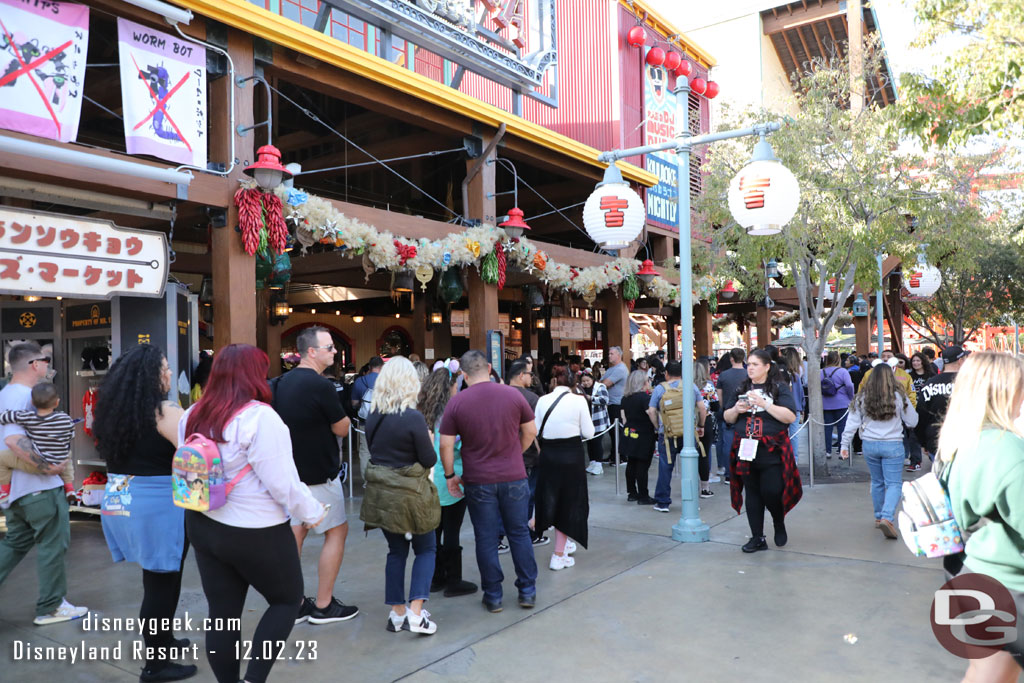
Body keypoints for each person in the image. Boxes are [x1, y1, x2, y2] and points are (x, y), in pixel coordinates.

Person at [180, 344, 326, 683]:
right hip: (256, 531)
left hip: (202, 523)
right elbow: (283, 484)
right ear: (254, 375)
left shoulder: (193, 414)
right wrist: (313, 512)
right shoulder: (259, 417)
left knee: (223, 614)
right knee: (287, 601)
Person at [94, 345, 195, 682]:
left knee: (157, 577)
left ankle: (163, 640)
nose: (168, 374)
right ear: (149, 375)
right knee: (162, 583)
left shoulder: (113, 410)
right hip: (158, 505)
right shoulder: (165, 410)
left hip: (122, 498)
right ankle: (155, 664)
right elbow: (195, 455)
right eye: (164, 368)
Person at [938, 352, 1024, 683]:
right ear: (1003, 390)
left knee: (984, 673)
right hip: (1010, 588)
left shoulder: (959, 441)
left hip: (971, 575)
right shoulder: (1008, 451)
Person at [440, 350, 538, 612]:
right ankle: (527, 590)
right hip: (514, 475)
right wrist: (515, 452)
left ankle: (493, 595)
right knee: (519, 533)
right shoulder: (512, 395)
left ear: (463, 374)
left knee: (485, 537)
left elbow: (446, 445)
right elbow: (530, 431)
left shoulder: (458, 402)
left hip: (478, 479)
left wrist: (450, 476)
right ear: (490, 368)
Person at [272, 327, 357, 625]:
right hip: (319, 474)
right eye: (330, 347)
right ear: (312, 352)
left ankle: (292, 603)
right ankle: (323, 604)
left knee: (294, 535)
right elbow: (341, 426)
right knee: (337, 531)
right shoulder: (321, 386)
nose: (335, 352)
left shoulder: (278, 383)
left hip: (287, 475)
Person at [0, 342, 87, 626]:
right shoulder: (24, 396)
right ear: (34, 364)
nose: (48, 364)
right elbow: (12, 440)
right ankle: (51, 607)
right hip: (38, 489)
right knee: (53, 545)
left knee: (15, 544)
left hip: (19, 491)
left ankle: (52, 605)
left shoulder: (7, 395)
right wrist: (49, 467)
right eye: (45, 359)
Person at [360, 357, 441, 635]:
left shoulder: (373, 417)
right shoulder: (413, 417)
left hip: (383, 496)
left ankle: (397, 614)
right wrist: (429, 440)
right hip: (412, 495)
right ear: (410, 383)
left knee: (396, 552)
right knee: (426, 549)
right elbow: (429, 460)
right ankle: (416, 613)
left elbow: (375, 453)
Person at [722, 348, 801, 552]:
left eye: (755, 364)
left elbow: (790, 417)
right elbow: (727, 417)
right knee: (753, 493)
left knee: (772, 491)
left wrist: (764, 404)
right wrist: (736, 410)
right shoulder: (742, 387)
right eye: (749, 364)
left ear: (767, 367)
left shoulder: (779, 388)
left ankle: (778, 521)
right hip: (745, 448)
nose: (750, 368)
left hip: (771, 449)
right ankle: (757, 537)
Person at [839, 363, 918, 539]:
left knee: (877, 482)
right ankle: (887, 517)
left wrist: (844, 445)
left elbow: (851, 423)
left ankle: (878, 517)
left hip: (869, 444)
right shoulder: (899, 397)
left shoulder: (862, 398)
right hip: (893, 444)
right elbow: (912, 421)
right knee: (894, 483)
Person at [422, 365, 479, 598]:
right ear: (450, 388)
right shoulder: (455, 415)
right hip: (451, 478)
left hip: (426, 481)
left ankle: (435, 578)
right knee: (452, 531)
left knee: (433, 532)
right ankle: (454, 580)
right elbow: (462, 446)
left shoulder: (422, 413)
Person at [533, 366, 594, 571]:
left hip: (548, 454)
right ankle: (558, 555)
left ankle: (564, 541)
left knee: (551, 498)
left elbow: (535, 430)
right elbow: (589, 431)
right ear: (573, 383)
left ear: (554, 382)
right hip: (571, 456)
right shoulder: (579, 401)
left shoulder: (542, 400)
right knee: (569, 502)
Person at [0, 382, 76, 504]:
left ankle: (4, 491)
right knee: (68, 456)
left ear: (32, 403)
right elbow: (70, 435)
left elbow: (5, 417)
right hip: (60, 461)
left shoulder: (29, 417)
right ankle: (70, 488)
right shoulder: (65, 418)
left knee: (1, 459)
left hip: (37, 463)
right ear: (57, 402)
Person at [648, 361, 706, 512]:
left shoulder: (660, 389)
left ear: (666, 373)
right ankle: (692, 501)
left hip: (667, 434)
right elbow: (701, 407)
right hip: (688, 433)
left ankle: (663, 502)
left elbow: (652, 410)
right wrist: (701, 425)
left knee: (665, 467)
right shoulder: (690, 386)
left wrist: (657, 427)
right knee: (691, 467)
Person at [506, 360, 547, 545]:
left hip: (502, 455)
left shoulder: (499, 395)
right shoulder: (531, 399)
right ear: (521, 375)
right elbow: (535, 431)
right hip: (527, 456)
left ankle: (500, 536)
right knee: (527, 496)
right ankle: (527, 534)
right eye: (530, 374)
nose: (533, 377)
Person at [918, 345, 966, 465]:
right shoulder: (970, 382)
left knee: (941, 479)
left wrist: (923, 442)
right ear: (960, 361)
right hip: (964, 440)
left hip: (935, 439)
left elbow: (921, 413)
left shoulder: (930, 384)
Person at [621, 370, 656, 503]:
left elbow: (624, 418)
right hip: (644, 434)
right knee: (642, 465)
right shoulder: (644, 398)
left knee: (631, 463)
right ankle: (643, 495)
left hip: (629, 432)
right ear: (643, 382)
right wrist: (657, 427)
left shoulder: (625, 398)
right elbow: (651, 413)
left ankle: (632, 492)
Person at [716, 348, 747, 480]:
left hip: (728, 413)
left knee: (727, 444)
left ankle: (729, 474)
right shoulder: (748, 374)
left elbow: (720, 396)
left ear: (731, 359)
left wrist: (724, 409)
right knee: (745, 444)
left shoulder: (723, 375)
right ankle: (744, 470)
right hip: (745, 414)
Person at [820, 351, 855, 459]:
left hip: (825, 403)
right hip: (842, 402)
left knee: (827, 427)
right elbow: (849, 385)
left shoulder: (821, 371)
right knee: (842, 428)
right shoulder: (843, 371)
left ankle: (827, 451)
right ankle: (841, 450)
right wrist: (850, 397)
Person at [905, 351, 935, 471]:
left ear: (923, 361)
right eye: (913, 361)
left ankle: (934, 459)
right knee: (913, 436)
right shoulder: (909, 376)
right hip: (913, 409)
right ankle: (916, 461)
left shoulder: (931, 376)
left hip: (928, 409)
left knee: (930, 435)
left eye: (918, 360)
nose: (915, 363)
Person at [694, 359, 719, 493]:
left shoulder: (686, 385)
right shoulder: (709, 386)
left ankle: (691, 486)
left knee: (690, 454)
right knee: (704, 454)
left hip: (688, 421)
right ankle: (705, 487)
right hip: (705, 420)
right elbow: (716, 406)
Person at [600, 346, 629, 462]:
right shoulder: (611, 369)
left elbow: (605, 383)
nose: (609, 355)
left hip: (618, 403)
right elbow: (600, 382)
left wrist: (602, 383)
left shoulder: (620, 369)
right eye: (609, 353)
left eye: (612, 353)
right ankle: (614, 454)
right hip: (610, 403)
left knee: (618, 431)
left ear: (619, 355)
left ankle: (621, 456)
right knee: (613, 432)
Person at [581, 370, 610, 476]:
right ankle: (592, 462)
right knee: (589, 442)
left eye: (587, 380)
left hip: (598, 420)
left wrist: (591, 398)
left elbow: (605, 400)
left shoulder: (600, 387)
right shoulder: (580, 389)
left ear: (592, 379)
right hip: (586, 420)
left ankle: (598, 464)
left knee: (597, 442)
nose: (585, 383)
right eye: (583, 381)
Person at [781, 348, 805, 465]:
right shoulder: (796, 374)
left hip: (782, 407)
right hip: (795, 407)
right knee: (794, 434)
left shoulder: (779, 375)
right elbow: (800, 393)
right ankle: (794, 459)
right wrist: (802, 407)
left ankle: (783, 456)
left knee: (781, 433)